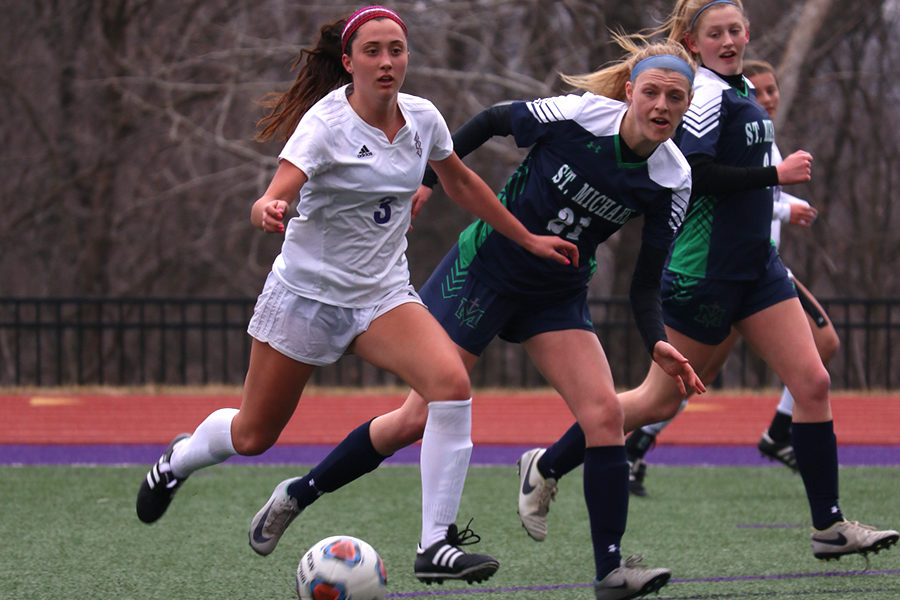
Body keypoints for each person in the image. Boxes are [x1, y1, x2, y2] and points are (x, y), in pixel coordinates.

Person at [247, 35, 707, 599]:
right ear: (631, 91)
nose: (662, 107)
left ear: (688, 105)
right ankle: (300, 492)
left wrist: (656, 340)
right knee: (416, 418)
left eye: (676, 98)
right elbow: (492, 120)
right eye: (653, 92)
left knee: (604, 416)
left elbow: (645, 280)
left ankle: (610, 572)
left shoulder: (673, 177)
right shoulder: (581, 116)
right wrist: (428, 180)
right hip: (484, 271)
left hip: (556, 293)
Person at [135, 5, 580, 586]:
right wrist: (268, 208)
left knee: (450, 386)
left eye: (396, 49)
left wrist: (525, 238)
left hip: (381, 296)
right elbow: (275, 192)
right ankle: (180, 459)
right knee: (252, 435)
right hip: (307, 298)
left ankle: (435, 545)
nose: (387, 61)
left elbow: (462, 182)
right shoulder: (324, 124)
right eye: (372, 51)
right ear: (348, 62)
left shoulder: (423, 119)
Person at [516, 0, 898, 567]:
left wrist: (777, 197)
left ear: (748, 33)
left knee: (813, 380)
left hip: (758, 271)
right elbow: (694, 173)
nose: (727, 40)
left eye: (735, 30)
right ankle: (546, 464)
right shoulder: (704, 96)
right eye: (714, 33)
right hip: (704, 273)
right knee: (654, 399)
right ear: (692, 43)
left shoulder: (741, 90)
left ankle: (829, 526)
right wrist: (776, 175)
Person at [623, 58, 841, 497]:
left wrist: (780, 202)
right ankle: (575, 450)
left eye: (772, 90)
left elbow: (757, 194)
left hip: (759, 269)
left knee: (815, 361)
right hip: (724, 270)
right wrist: (783, 200)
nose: (766, 99)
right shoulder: (717, 112)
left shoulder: (760, 131)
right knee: (671, 389)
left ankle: (825, 516)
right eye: (757, 91)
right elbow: (709, 183)